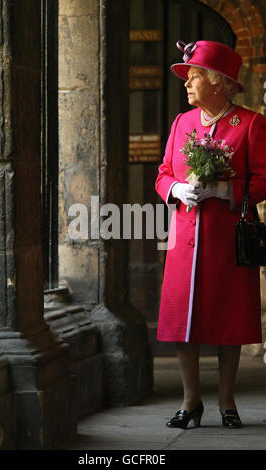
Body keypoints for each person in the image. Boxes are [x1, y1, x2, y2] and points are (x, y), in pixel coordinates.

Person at [155, 40, 266, 429]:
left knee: (228, 320)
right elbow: (163, 173)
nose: (187, 84)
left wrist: (225, 191)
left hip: (226, 237)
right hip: (185, 236)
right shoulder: (181, 123)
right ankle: (191, 403)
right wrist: (176, 189)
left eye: (194, 76)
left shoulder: (250, 123)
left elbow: (263, 180)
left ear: (218, 83)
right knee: (182, 321)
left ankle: (226, 401)